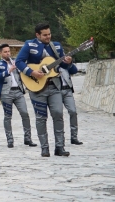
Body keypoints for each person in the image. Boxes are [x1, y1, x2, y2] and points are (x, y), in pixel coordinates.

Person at [15, 22, 76, 157]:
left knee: (58, 114)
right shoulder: (29, 45)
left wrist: (68, 62)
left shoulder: (57, 46)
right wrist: (32, 72)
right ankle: (44, 148)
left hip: (54, 86)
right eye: (45, 35)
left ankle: (60, 147)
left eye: (49, 34)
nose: (48, 37)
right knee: (41, 118)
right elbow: (19, 62)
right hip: (36, 88)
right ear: (37, 35)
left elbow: (65, 68)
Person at [0, 44, 36, 148]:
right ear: (0, 53)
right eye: (5, 52)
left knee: (25, 113)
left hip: (18, 92)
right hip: (6, 93)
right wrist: (8, 71)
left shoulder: (16, 61)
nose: (8, 53)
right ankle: (10, 140)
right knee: (8, 116)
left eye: (8, 51)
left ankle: (28, 138)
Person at [60, 64, 83, 145]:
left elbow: (74, 70)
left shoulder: (63, 62)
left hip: (67, 90)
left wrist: (69, 63)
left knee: (73, 111)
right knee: (58, 114)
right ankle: (60, 138)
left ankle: (74, 137)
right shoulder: (48, 61)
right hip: (55, 91)